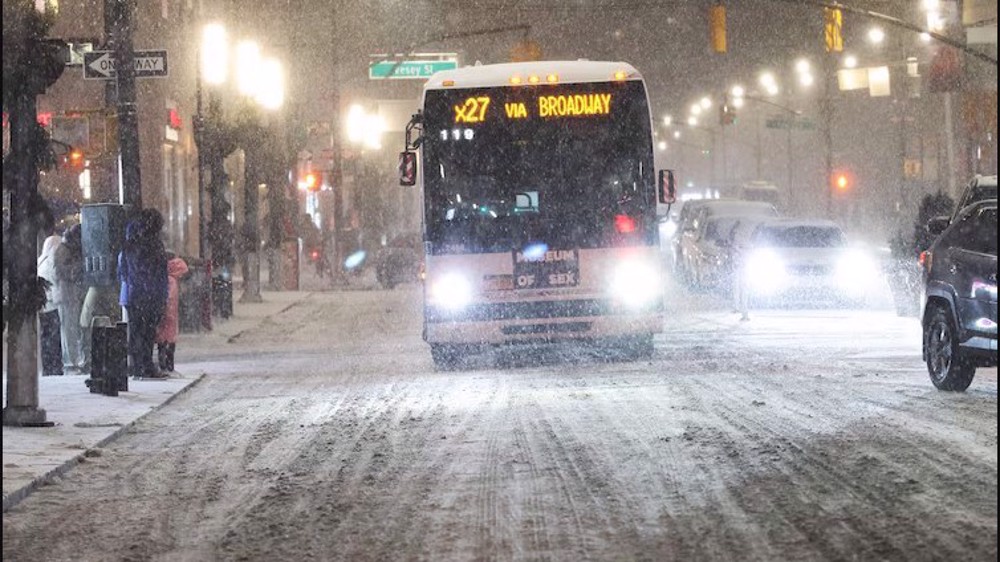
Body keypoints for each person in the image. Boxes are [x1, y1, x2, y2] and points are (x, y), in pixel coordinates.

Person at [119, 209, 168, 379]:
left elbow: (123, 271)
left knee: (136, 331)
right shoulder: (155, 245)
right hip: (151, 295)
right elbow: (160, 272)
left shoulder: (129, 244)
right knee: (147, 332)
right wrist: (161, 294)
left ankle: (136, 365)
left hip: (134, 294)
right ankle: (146, 365)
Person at [55, 224, 86, 372]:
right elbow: (65, 272)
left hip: (72, 293)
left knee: (72, 327)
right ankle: (71, 361)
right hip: (67, 294)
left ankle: (74, 359)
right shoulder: (64, 250)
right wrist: (79, 267)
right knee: (69, 328)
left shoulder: (67, 248)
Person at [155, 252, 189, 372]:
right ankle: (168, 365)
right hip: (170, 315)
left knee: (161, 338)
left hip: (164, 313)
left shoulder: (162, 277)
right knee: (169, 338)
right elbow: (171, 298)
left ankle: (163, 363)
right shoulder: (172, 280)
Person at [37, 229, 63, 376]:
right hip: (52, 306)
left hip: (43, 308)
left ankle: (48, 367)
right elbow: (54, 284)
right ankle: (55, 366)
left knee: (46, 338)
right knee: (54, 339)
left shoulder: (40, 261)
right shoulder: (52, 262)